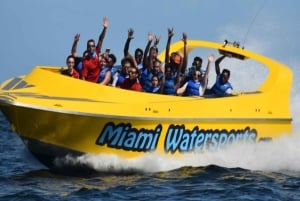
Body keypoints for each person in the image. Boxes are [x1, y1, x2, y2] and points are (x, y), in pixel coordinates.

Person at [81, 17, 108, 82]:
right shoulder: (86, 62)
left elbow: (101, 39)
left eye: (93, 46)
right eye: (89, 46)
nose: (91, 48)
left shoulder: (97, 52)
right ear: (87, 48)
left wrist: (105, 28)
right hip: (90, 86)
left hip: (97, 84)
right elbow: (83, 77)